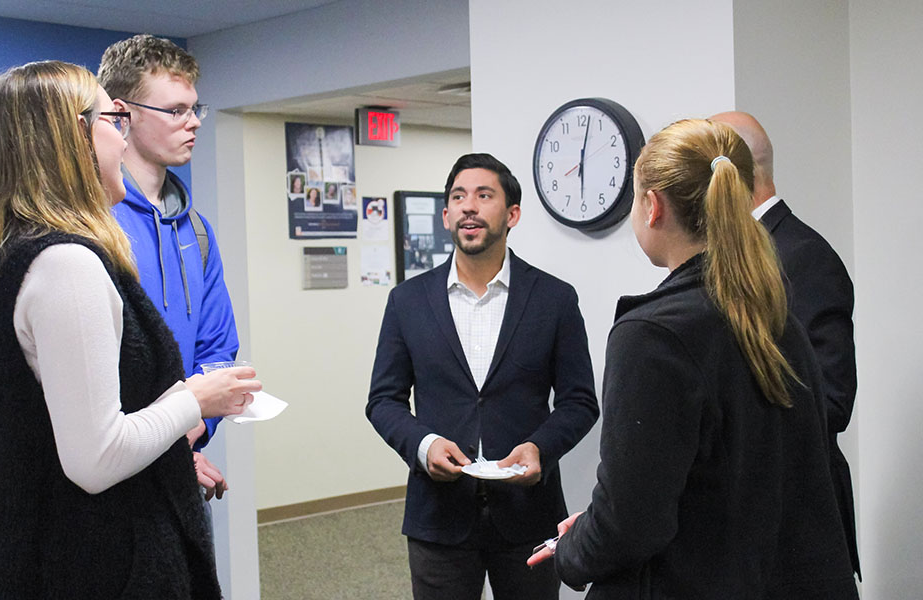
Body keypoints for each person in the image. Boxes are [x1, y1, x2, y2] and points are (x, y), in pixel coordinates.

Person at [0, 61, 260, 598]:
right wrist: (196, 399)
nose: (123, 141)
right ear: (71, 136)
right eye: (113, 120)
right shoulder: (66, 265)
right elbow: (95, 460)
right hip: (96, 561)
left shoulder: (16, 257)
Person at [530, 119, 857, 599]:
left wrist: (576, 548)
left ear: (653, 205)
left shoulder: (653, 334)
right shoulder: (771, 310)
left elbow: (632, 521)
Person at [367, 153, 599, 600]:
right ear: (446, 216)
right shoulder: (407, 301)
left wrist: (540, 448)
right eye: (458, 197)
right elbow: (383, 400)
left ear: (512, 214)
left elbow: (580, 401)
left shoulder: (554, 299)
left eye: (484, 195)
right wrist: (424, 444)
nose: (469, 206)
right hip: (437, 516)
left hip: (529, 515)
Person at [710, 111, 859, 577]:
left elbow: (831, 402)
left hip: (795, 525)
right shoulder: (730, 256)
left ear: (728, 176)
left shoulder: (804, 257)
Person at [98, 34, 238, 500]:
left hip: (181, 454)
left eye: (195, 108)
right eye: (176, 111)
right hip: (110, 468)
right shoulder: (94, 224)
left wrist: (189, 432)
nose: (193, 122)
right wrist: (160, 439)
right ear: (124, 113)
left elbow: (217, 348)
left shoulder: (196, 230)